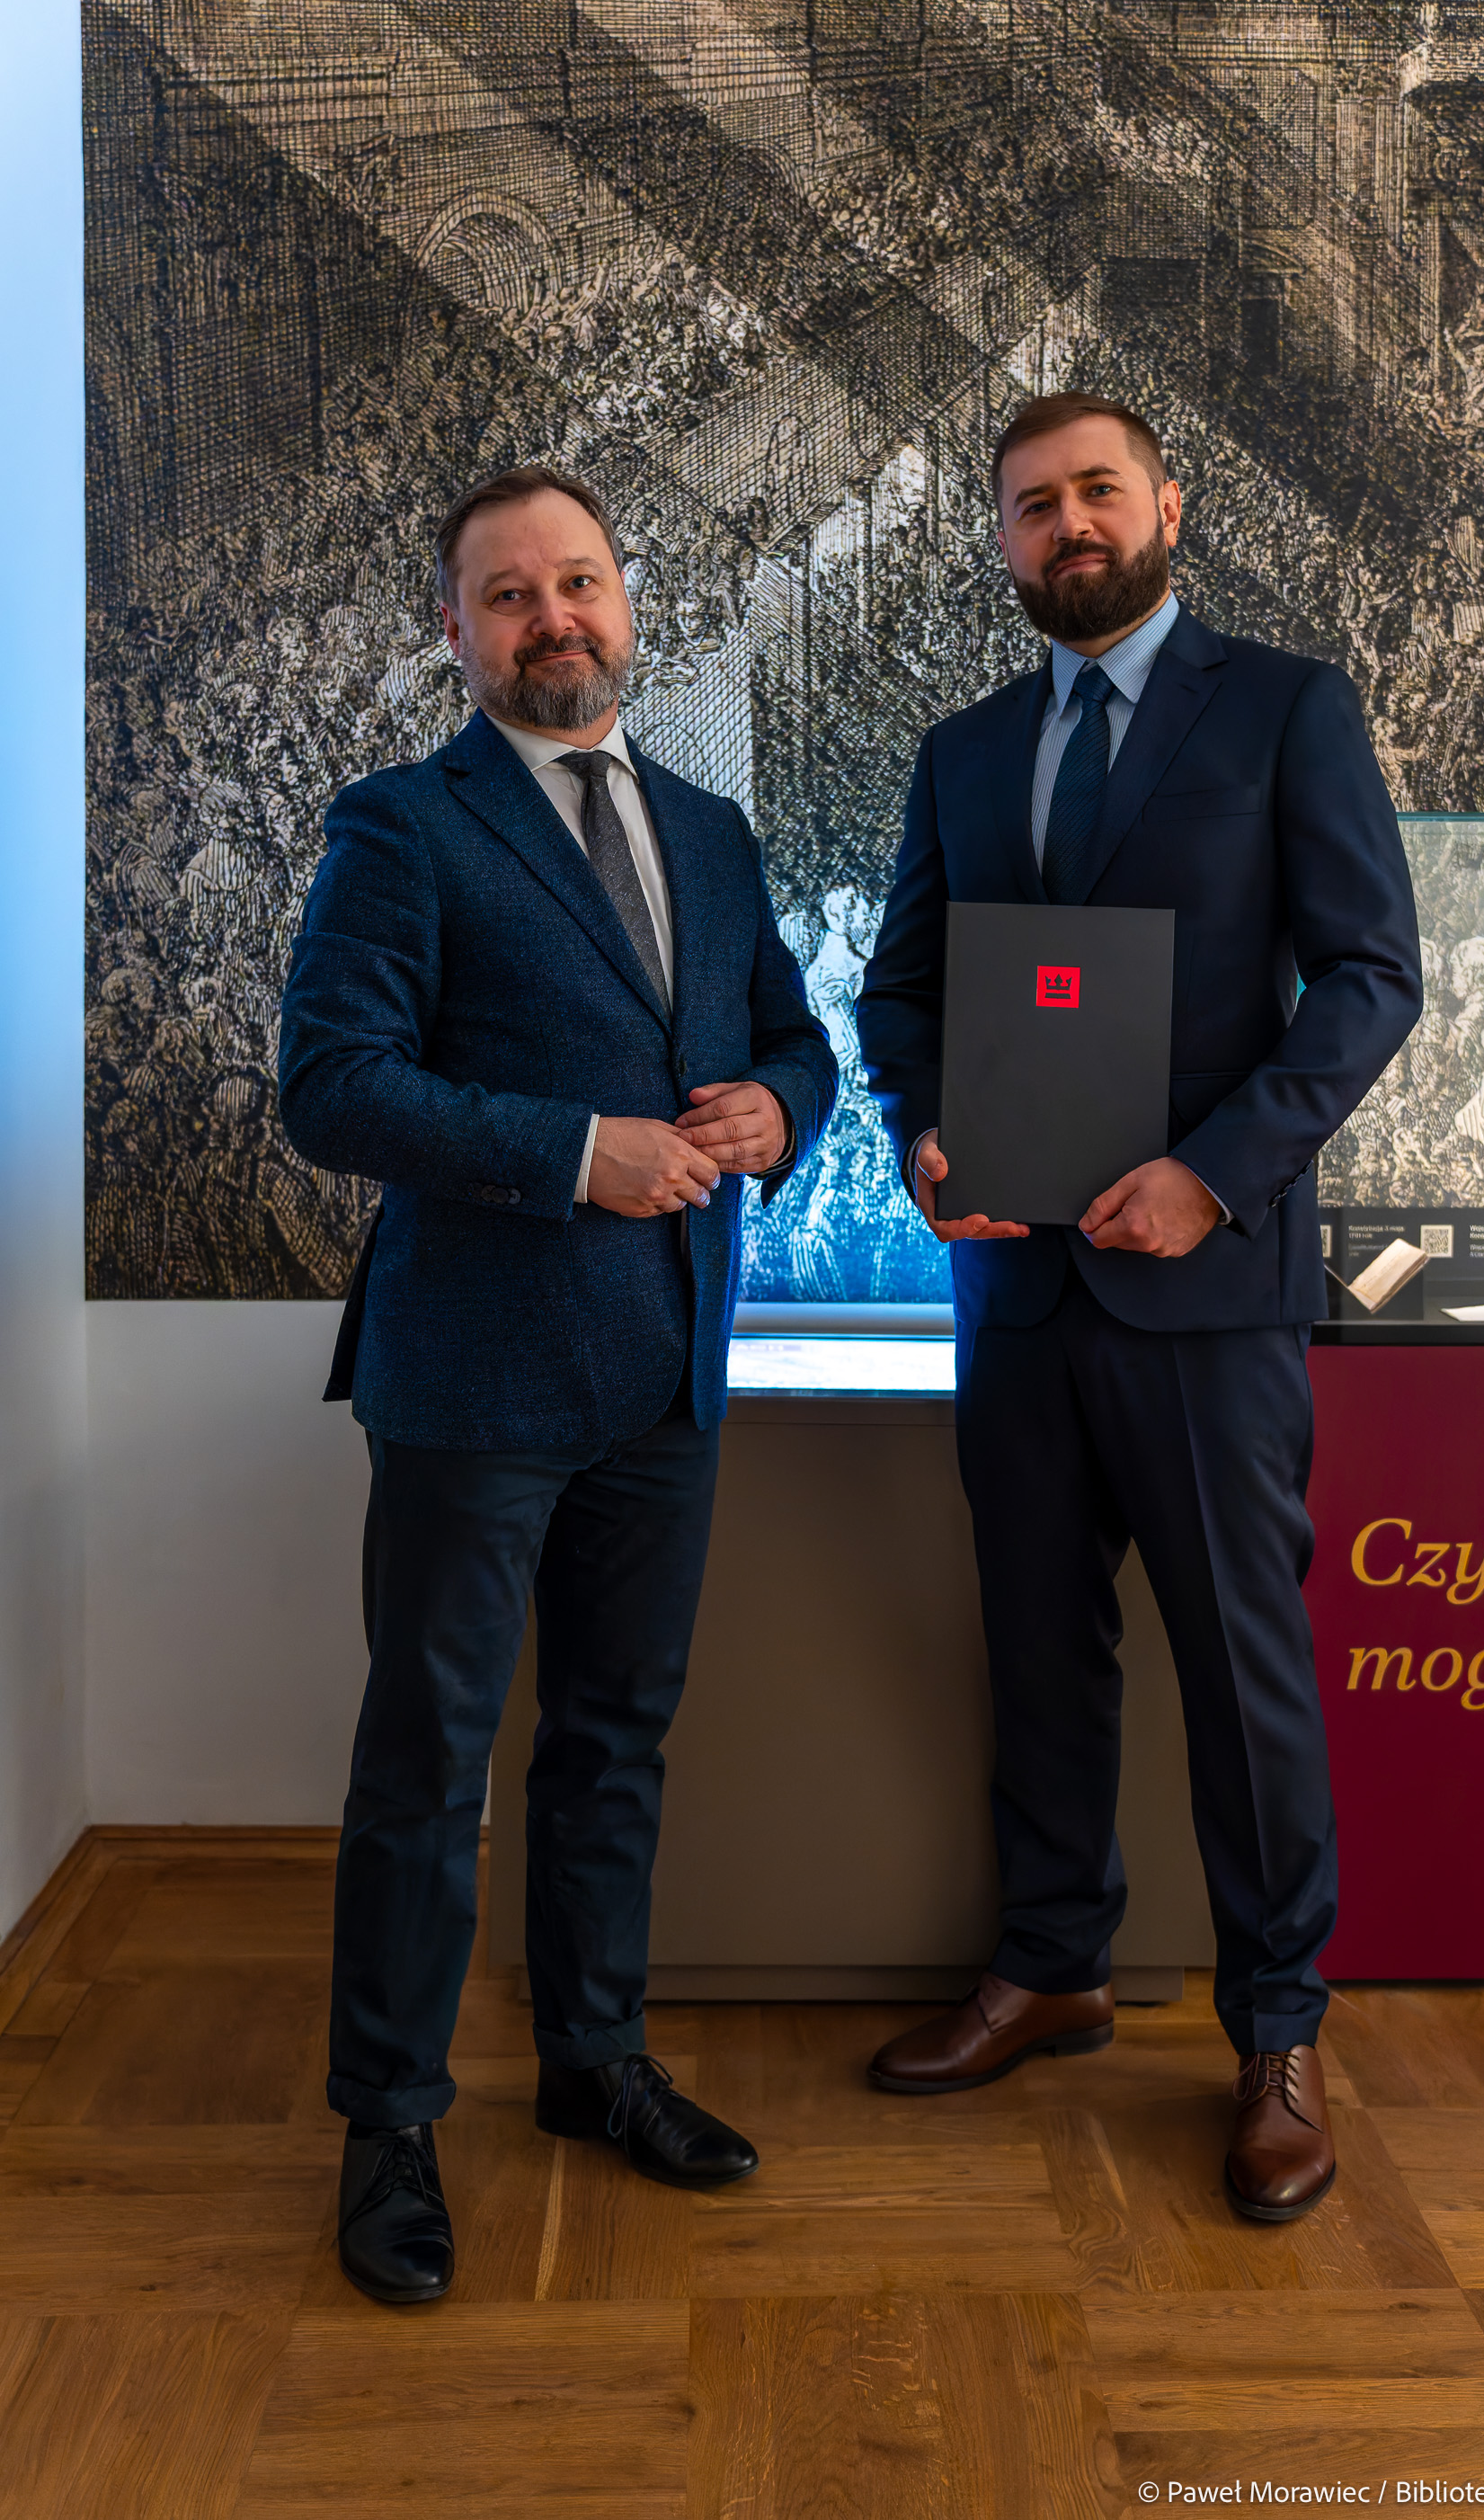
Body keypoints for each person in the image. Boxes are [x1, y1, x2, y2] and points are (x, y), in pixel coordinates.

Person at [855, 391, 1422, 2222]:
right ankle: (1050, 1965)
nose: (1067, 524)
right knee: (1037, 1648)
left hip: (1205, 1290)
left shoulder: (1285, 709)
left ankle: (1277, 2033)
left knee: (1243, 1674)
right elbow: (900, 992)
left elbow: (1367, 976)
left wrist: (1214, 1171)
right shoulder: (962, 749)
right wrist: (924, 1134)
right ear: (1002, 541)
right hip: (1015, 1290)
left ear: (1166, 506)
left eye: (1096, 490)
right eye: (1031, 505)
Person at [279, 465, 838, 2306]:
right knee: (428, 1765)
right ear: (455, 629)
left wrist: (780, 1112)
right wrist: (575, 1152)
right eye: (508, 594)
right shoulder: (400, 825)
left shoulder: (710, 830)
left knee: (612, 1744)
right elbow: (333, 1086)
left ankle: (593, 2062)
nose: (552, 619)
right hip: (471, 1381)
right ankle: (389, 2122)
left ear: (625, 601)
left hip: (665, 1371)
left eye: (576, 582)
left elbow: (790, 1036)